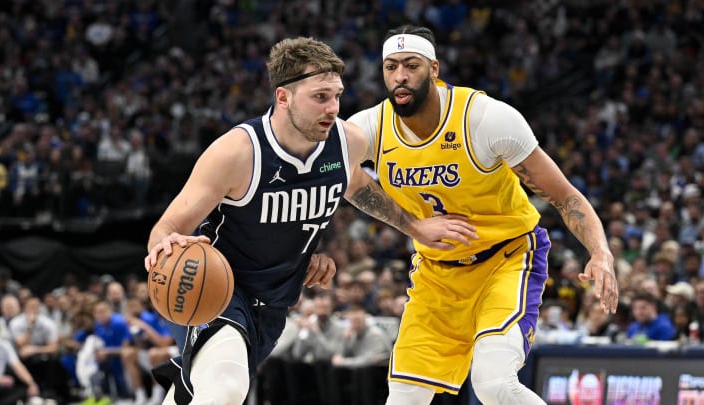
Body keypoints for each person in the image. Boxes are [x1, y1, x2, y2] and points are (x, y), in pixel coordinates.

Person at [143, 36, 476, 405]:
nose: (333, 107)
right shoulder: (237, 152)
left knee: (197, 391)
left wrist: (416, 227)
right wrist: (165, 246)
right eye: (320, 97)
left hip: (273, 304)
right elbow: (167, 227)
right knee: (225, 388)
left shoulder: (345, 142)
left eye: (337, 95)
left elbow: (356, 185)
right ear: (283, 97)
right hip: (216, 288)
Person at [348, 25, 619, 405]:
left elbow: (565, 196)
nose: (400, 76)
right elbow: (338, 172)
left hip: (505, 260)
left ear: (434, 69)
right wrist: (411, 225)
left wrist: (600, 252)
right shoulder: (370, 127)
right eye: (391, 67)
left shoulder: (486, 119)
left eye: (411, 65)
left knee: (493, 385)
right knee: (404, 398)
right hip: (437, 274)